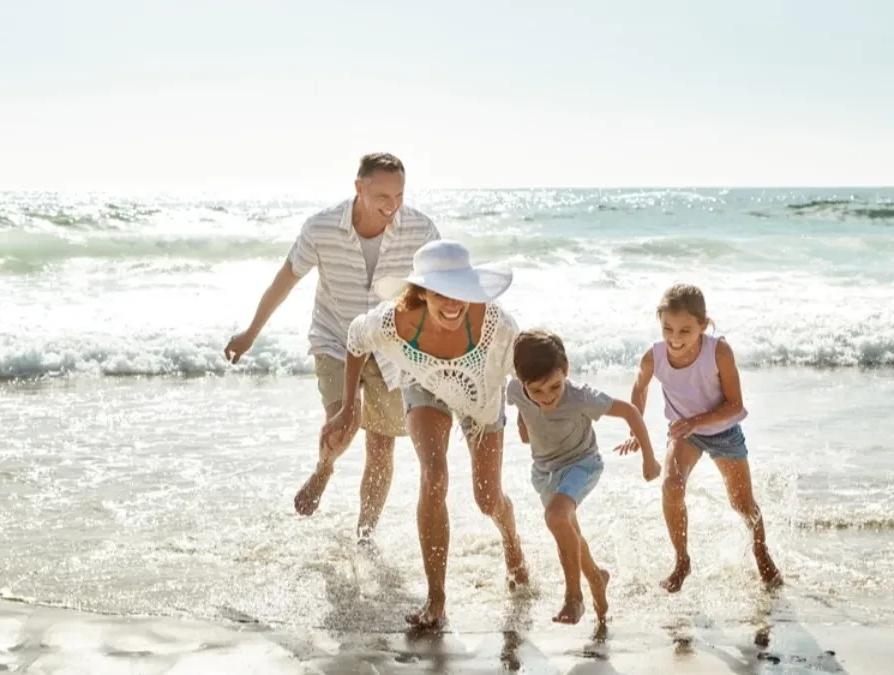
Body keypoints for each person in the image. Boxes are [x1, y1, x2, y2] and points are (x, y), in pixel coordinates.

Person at [223, 153, 440, 540]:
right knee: (345, 420)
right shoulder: (321, 228)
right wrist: (251, 333)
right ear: (359, 188)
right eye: (383, 196)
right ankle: (324, 468)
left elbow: (444, 290)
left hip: (391, 347)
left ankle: (365, 535)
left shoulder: (421, 230)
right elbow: (286, 279)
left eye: (399, 196)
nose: (392, 205)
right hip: (335, 338)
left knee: (381, 447)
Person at [320, 239, 527, 629]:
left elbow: (523, 369)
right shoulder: (393, 321)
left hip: (481, 395)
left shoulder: (497, 325)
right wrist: (349, 407)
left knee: (487, 498)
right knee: (434, 476)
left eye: (459, 292)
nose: (452, 304)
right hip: (425, 384)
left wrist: (527, 416)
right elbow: (355, 340)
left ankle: (512, 544)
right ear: (421, 292)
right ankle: (436, 600)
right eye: (440, 293)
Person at [623, 284, 782, 592]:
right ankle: (682, 561)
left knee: (742, 503)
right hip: (684, 434)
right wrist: (635, 428)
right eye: (667, 328)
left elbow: (735, 404)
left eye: (685, 330)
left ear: (703, 326)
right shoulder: (653, 357)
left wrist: (695, 421)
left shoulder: (718, 351)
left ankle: (761, 551)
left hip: (723, 431)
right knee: (671, 486)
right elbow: (639, 388)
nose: (674, 338)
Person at [506, 329, 661, 625]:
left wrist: (648, 458)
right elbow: (521, 409)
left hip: (582, 464)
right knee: (568, 530)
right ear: (521, 380)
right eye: (536, 391)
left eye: (554, 386)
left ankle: (573, 598)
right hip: (545, 472)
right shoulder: (515, 390)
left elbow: (629, 411)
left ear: (565, 370)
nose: (547, 397)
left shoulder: (580, 397)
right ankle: (596, 577)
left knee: (555, 517)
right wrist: (523, 423)